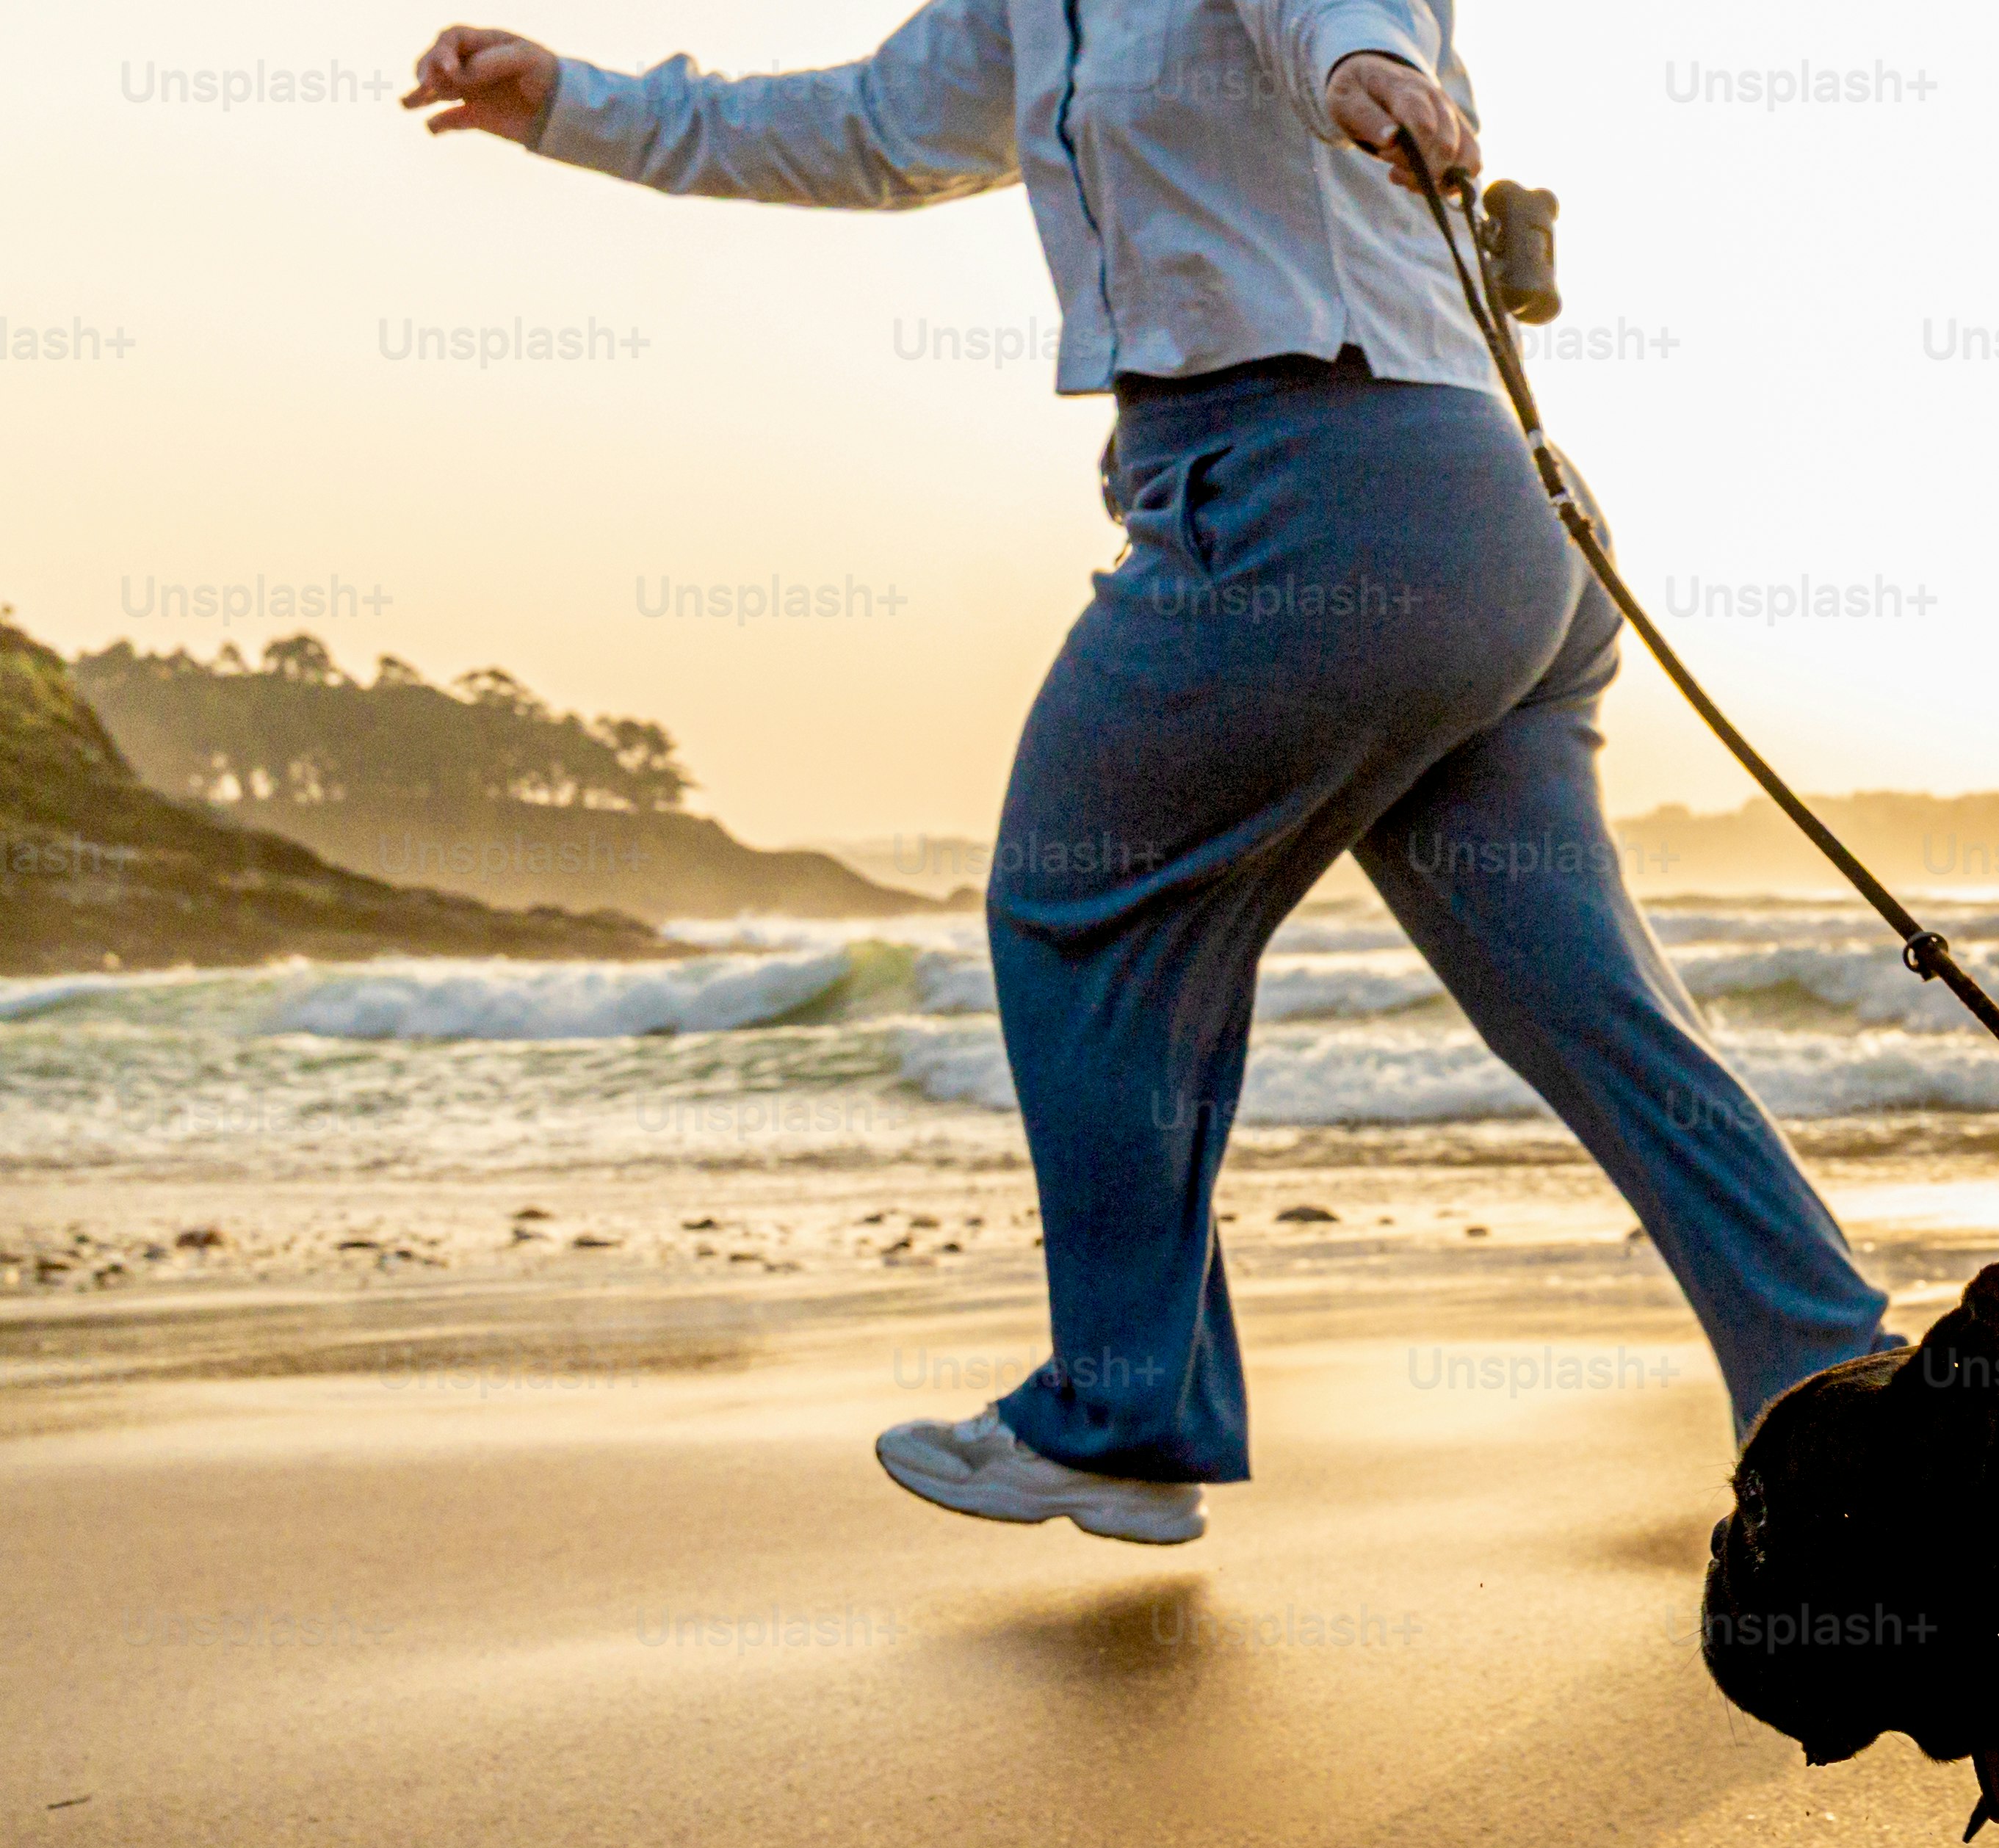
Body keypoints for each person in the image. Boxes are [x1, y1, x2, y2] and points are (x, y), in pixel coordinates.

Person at [409, 11, 1897, 1545]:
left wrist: (1359, 68)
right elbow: (867, 127)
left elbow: (1330, 10)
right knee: (1586, 994)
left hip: (1321, 494)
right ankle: (1846, 1397)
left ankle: (1127, 1414)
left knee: (1082, 898)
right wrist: (569, 106)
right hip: (1478, 528)